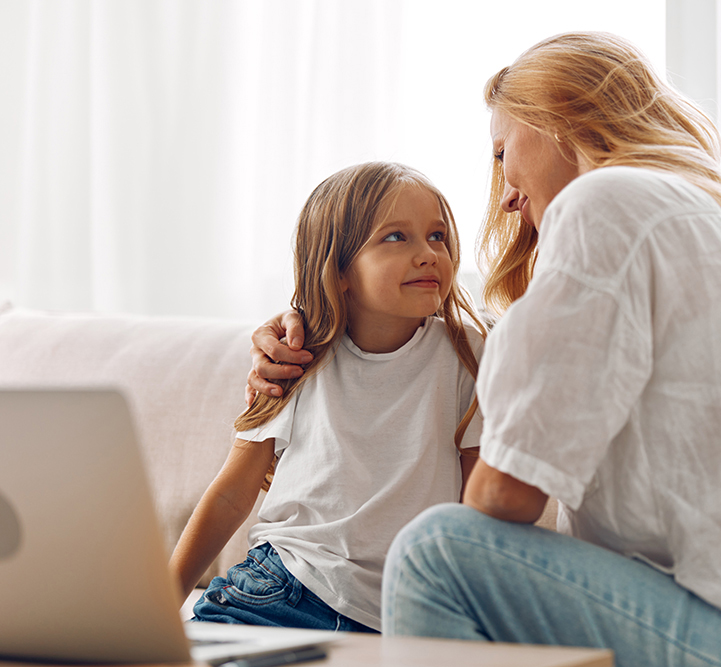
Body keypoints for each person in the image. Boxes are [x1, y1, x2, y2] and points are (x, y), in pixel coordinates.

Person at [248, 33, 721, 667]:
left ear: (559, 118)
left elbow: (503, 497)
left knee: (435, 553)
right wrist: (317, 327)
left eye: (502, 152)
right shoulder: (678, 224)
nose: (505, 197)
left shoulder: (606, 202)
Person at [169, 161, 486, 634]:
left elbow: (475, 510)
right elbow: (231, 495)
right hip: (280, 587)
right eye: (396, 237)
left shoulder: (469, 354)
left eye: (437, 236)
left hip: (401, 611)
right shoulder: (295, 355)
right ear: (338, 271)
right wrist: (158, 607)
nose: (427, 254)